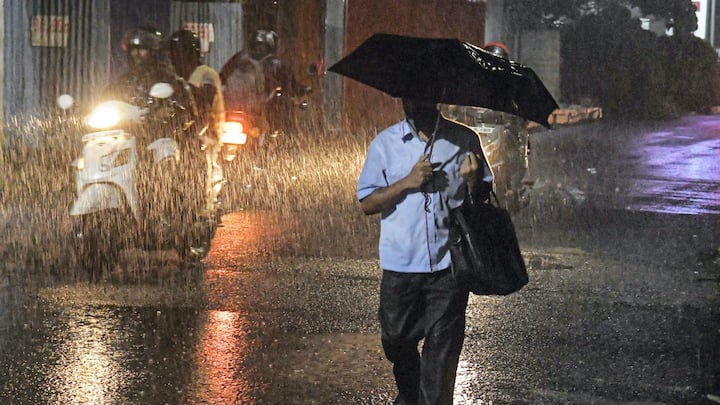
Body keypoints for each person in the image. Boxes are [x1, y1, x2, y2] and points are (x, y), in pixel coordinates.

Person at [357, 98, 493, 405]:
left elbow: (482, 194)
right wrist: (408, 182)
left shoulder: (464, 139)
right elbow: (368, 203)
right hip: (400, 264)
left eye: (420, 93)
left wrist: (473, 182)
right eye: (408, 95)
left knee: (441, 359)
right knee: (396, 340)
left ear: (436, 96)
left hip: (449, 266)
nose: (412, 102)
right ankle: (410, 393)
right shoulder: (386, 143)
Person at [168, 28, 226, 215]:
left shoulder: (205, 73)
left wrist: (195, 129)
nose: (177, 57)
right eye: (174, 52)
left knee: (197, 156)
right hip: (181, 128)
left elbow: (205, 104)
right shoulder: (172, 76)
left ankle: (201, 206)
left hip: (207, 130)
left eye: (182, 51)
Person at [220, 28, 307, 136]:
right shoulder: (275, 64)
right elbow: (290, 84)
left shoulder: (239, 58)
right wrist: (302, 90)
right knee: (277, 130)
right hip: (257, 111)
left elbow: (222, 77)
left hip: (232, 109)